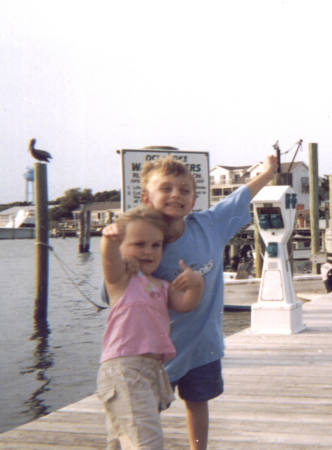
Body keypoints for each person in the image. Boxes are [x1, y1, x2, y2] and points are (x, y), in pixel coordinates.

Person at [140, 154, 278, 450]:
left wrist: (268, 173)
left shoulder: (209, 224)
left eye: (185, 190)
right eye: (166, 188)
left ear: (193, 199)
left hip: (204, 345)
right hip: (155, 351)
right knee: (145, 412)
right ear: (146, 198)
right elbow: (112, 290)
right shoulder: (141, 238)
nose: (176, 194)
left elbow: (241, 196)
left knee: (198, 402)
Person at [97, 206, 204, 450]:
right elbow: (109, 261)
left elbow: (185, 304)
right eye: (139, 244)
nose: (148, 251)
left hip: (153, 370)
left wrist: (196, 284)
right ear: (122, 247)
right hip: (124, 370)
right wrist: (109, 241)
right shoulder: (122, 281)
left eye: (156, 245)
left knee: (125, 437)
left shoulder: (162, 286)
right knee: (146, 440)